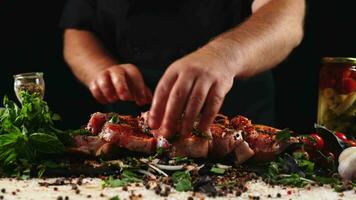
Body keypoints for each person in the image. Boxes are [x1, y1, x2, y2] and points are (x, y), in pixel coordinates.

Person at [60, 0, 305, 139]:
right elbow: (79, 29)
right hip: (127, 133)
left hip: (238, 132)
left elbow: (286, 17)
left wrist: (224, 54)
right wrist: (101, 70)